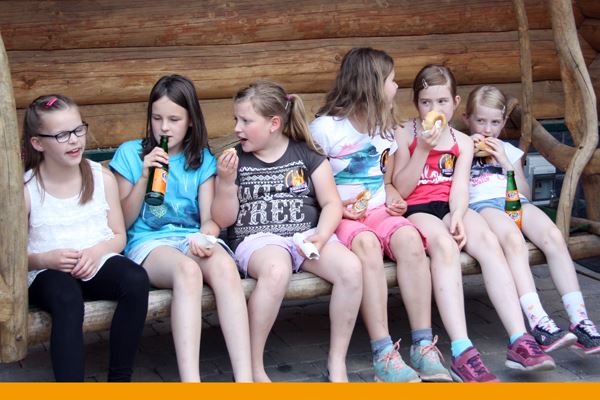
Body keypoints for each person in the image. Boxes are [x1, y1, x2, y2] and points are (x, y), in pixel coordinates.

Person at [392, 65, 555, 382]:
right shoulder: (405, 132)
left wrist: (458, 214)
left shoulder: (463, 142)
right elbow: (402, 188)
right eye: (426, 102)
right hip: (417, 208)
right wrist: (423, 148)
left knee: (490, 243)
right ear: (416, 104)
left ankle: (519, 339)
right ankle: (462, 350)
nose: (435, 109)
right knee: (445, 247)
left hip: (450, 205)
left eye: (442, 101)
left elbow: (459, 187)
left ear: (455, 102)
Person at [310, 47, 450, 383]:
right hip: (340, 217)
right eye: (391, 80)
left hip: (377, 210)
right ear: (371, 84)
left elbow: (386, 180)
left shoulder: (385, 128)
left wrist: (392, 193)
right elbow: (310, 188)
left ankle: (422, 344)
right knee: (367, 245)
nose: (397, 86)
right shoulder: (325, 129)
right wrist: (338, 208)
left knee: (411, 239)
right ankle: (383, 352)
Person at [211, 80, 362, 382]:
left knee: (351, 269)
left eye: (246, 121)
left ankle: (337, 362)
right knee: (276, 270)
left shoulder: (306, 153)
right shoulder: (235, 160)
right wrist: (226, 183)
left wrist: (322, 234)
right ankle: (253, 366)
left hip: (305, 236)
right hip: (258, 240)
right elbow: (223, 219)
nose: (237, 128)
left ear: (274, 123)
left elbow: (331, 203)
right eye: (236, 119)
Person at [109, 75, 252, 382]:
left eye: (174, 119)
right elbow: (122, 221)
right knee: (188, 272)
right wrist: (144, 177)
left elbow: (209, 219)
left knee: (225, 267)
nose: (164, 127)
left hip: (189, 238)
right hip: (148, 243)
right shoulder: (131, 154)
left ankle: (245, 379)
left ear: (190, 121)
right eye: (157, 118)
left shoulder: (201, 160)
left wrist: (205, 237)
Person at [463, 85, 600, 356]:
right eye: (480, 121)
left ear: (503, 122)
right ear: (467, 119)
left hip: (515, 201)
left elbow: (524, 192)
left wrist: (506, 163)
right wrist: (467, 153)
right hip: (482, 206)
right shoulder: (460, 148)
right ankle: (538, 320)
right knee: (513, 240)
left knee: (553, 236)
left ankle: (580, 319)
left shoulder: (508, 151)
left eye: (494, 122)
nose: (487, 130)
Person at [23, 94, 150, 382]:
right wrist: (46, 259)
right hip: (46, 270)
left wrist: (96, 252)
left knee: (135, 279)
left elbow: (119, 235)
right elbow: (12, 257)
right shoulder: (27, 190)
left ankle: (119, 381)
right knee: (67, 299)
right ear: (38, 143)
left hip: (95, 258)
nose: (74, 140)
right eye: (62, 135)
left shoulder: (100, 177)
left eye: (78, 130)